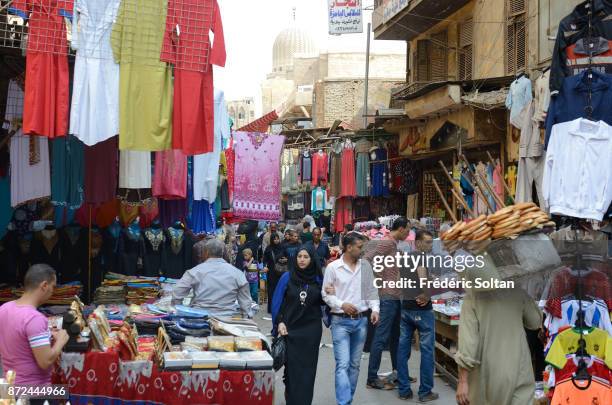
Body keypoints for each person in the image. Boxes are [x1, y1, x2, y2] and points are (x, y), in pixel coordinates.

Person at [455, 253, 542, 404]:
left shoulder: (471, 299)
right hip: (520, 370)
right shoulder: (516, 291)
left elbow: (468, 344)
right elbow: (535, 322)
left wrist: (463, 381)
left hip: (487, 376)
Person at [322, 232, 380, 405]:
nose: (362, 250)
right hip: (340, 322)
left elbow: (371, 291)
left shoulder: (366, 266)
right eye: (360, 247)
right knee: (343, 364)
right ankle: (344, 402)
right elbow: (325, 294)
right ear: (348, 248)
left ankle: (348, 400)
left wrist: (375, 309)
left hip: (361, 321)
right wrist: (341, 304)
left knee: (355, 365)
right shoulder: (333, 268)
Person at [0, 264, 70, 386]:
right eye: (53, 287)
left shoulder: (4, 309)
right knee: (67, 394)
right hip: (33, 390)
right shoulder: (35, 319)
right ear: (44, 286)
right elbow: (45, 361)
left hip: (8, 387)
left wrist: (44, 335)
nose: (52, 292)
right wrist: (61, 340)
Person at [271, 245, 324, 405]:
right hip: (290, 330)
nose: (302, 259)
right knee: (292, 371)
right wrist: (279, 322)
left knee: (308, 371)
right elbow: (277, 303)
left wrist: (329, 292)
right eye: (299, 256)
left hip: (311, 332)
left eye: (306, 257)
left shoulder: (318, 279)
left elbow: (325, 303)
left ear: (312, 259)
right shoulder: (287, 277)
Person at [364, 217, 410, 390]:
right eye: (408, 230)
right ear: (401, 228)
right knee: (381, 337)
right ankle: (371, 377)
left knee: (395, 337)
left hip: (395, 296)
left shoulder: (394, 243)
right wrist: (379, 282)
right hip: (387, 297)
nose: (409, 233)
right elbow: (367, 259)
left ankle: (399, 372)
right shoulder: (387, 243)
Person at [396, 229, 439, 402]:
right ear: (418, 242)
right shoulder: (421, 258)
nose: (430, 245)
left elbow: (400, 281)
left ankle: (404, 390)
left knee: (403, 349)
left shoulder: (405, 258)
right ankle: (425, 392)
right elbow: (422, 279)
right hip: (422, 310)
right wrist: (427, 293)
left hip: (406, 308)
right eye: (428, 242)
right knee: (427, 351)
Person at [172, 239, 254, 317]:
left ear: (206, 253)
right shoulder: (237, 273)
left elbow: (177, 293)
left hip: (200, 318)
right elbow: (245, 301)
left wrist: (178, 310)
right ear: (223, 253)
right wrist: (246, 316)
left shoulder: (194, 272)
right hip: (227, 318)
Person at [263, 233, 285, 313]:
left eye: (277, 239)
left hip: (281, 271)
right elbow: (265, 259)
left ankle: (280, 308)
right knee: (271, 290)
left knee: (280, 289)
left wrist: (285, 260)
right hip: (271, 272)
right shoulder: (269, 248)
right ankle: (271, 308)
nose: (276, 240)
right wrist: (265, 266)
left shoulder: (282, 247)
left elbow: (286, 257)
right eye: (274, 239)